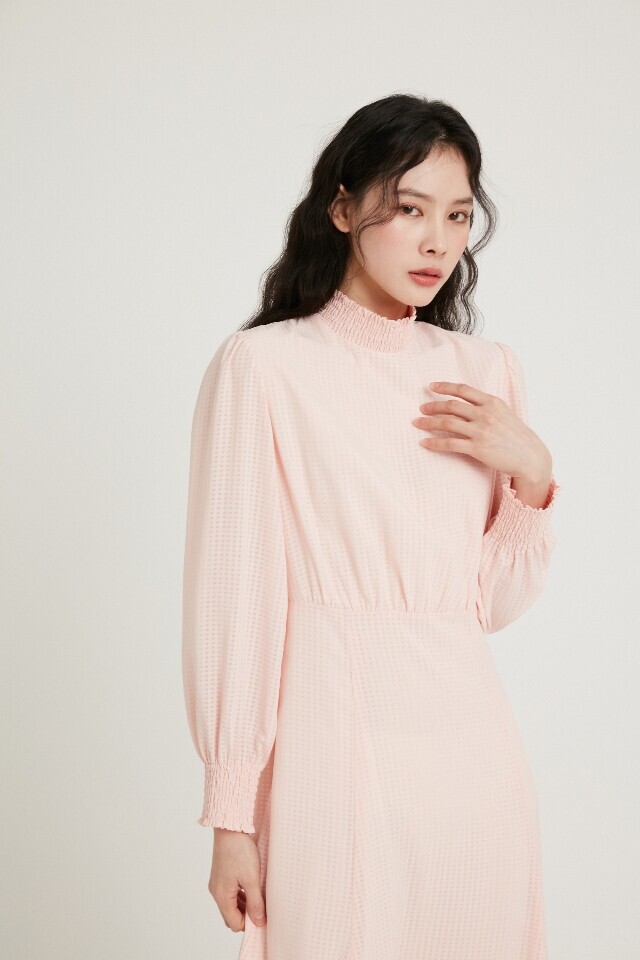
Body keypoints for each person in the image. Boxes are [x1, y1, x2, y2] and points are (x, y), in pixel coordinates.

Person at [181, 92, 560, 960]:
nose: (438, 242)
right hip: (332, 754)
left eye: (458, 215)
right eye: (410, 209)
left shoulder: (485, 371)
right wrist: (232, 814)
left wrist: (533, 476)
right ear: (343, 208)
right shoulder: (265, 365)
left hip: (474, 763)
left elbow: (488, 608)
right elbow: (234, 600)